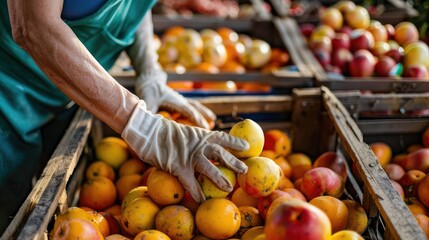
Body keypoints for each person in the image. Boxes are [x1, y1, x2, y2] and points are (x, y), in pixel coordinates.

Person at [0, 0, 249, 233]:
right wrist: (141, 125)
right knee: (9, 209)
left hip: (72, 88)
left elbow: (132, 7)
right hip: (8, 88)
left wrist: (149, 68)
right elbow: (33, 25)